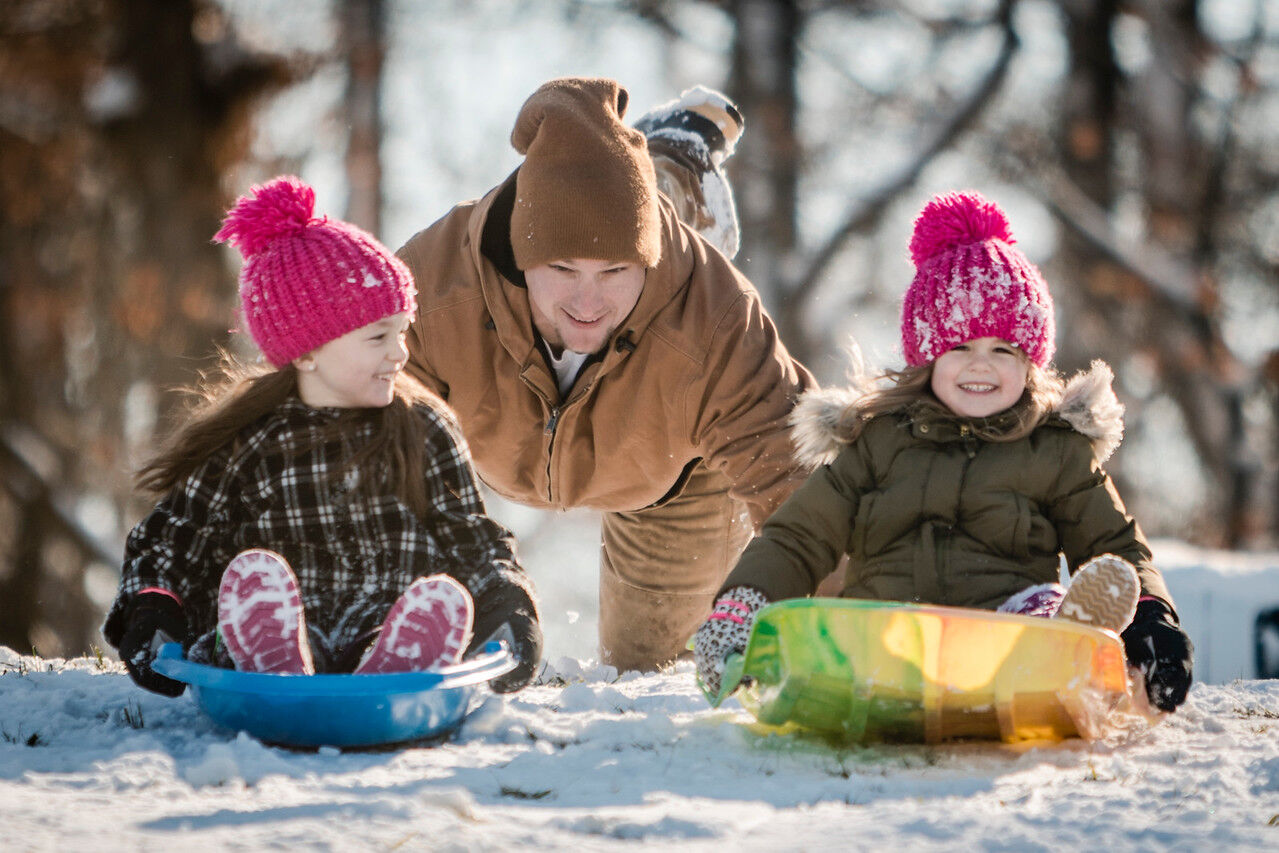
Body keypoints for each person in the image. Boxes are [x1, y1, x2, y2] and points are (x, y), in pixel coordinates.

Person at [693, 190, 1195, 713]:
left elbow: (1114, 543)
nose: (981, 365)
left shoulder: (1055, 451)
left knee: (1040, 611)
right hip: (885, 637)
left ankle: (1066, 646)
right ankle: (822, 668)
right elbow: (799, 535)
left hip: (1004, 636)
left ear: (1031, 364)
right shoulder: (877, 441)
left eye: (1003, 350)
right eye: (960, 347)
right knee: (835, 623)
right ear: (927, 356)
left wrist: (1151, 616)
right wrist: (743, 604)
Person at [396, 77, 814, 672]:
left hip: (672, 475)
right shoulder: (431, 290)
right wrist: (481, 578)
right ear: (522, 255)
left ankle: (673, 156)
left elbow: (798, 484)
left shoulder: (716, 318)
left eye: (616, 270)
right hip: (495, 449)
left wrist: (857, 635)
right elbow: (378, 459)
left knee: (652, 670)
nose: (587, 302)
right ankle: (642, 159)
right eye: (562, 268)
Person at [103, 176, 541, 696]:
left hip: (379, 622)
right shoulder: (249, 440)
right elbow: (172, 536)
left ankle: (402, 660)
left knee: (431, 603)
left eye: (402, 330)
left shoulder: (423, 428)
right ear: (307, 352)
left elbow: (469, 533)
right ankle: (267, 653)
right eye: (378, 336)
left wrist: (505, 601)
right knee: (257, 585)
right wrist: (153, 606)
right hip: (275, 623)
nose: (400, 353)